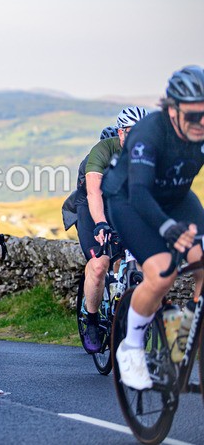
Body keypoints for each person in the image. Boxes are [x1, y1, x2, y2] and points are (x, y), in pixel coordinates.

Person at [103, 66, 204, 390]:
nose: (199, 123)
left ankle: (183, 331)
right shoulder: (148, 133)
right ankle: (131, 347)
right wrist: (167, 228)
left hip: (176, 196)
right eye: (192, 116)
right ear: (172, 110)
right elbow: (141, 193)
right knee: (163, 272)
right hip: (130, 198)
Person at [76, 106, 148, 353]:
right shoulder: (103, 150)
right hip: (92, 206)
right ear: (120, 132)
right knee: (98, 266)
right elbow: (94, 192)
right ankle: (93, 322)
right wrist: (101, 223)